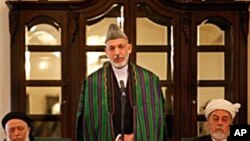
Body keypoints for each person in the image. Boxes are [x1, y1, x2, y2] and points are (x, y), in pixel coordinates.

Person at [76, 23, 165, 141]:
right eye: (111, 48)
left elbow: (156, 119)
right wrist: (118, 138)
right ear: (106, 52)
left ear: (129, 48)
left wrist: (136, 137)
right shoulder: (93, 83)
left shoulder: (149, 80)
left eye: (121, 46)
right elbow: (89, 121)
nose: (117, 52)